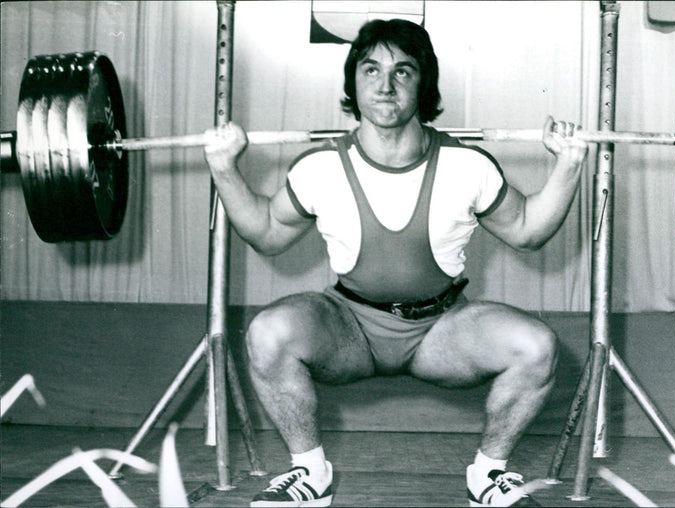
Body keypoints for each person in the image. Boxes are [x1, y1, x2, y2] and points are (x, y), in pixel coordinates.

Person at [204, 18, 587, 508]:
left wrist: (569, 166)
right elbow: (264, 232)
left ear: (423, 83)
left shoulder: (466, 165)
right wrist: (225, 170)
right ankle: (310, 472)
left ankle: (488, 475)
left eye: (403, 72)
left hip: (440, 331)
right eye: (371, 70)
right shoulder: (320, 167)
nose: (385, 85)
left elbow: (530, 231)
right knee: (267, 332)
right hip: (350, 329)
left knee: (536, 346)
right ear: (354, 82)